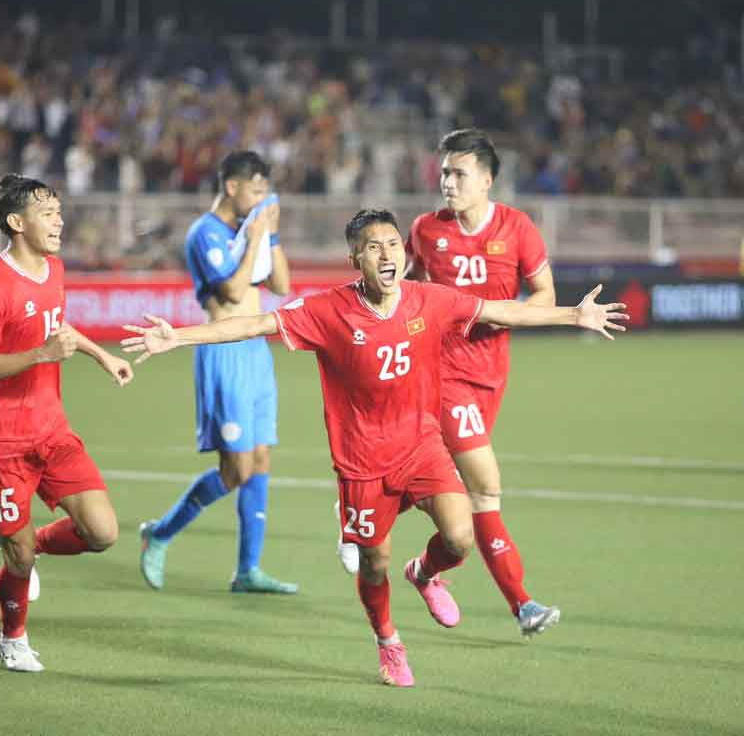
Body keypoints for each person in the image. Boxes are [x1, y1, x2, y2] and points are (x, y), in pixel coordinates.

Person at [122, 208, 627, 686]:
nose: (386, 254)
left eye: (392, 244)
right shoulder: (328, 309)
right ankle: (388, 640)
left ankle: (425, 574)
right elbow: (256, 324)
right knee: (372, 563)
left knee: (459, 538)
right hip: (361, 462)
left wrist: (572, 316)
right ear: (355, 260)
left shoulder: (430, 299)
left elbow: (500, 310)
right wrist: (178, 338)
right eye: (372, 247)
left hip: (422, 447)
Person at [337, 128, 561, 637]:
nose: (447, 182)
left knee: (444, 489)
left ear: (487, 180)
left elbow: (544, 294)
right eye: (443, 172)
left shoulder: (517, 228)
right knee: (485, 486)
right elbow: (398, 286)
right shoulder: (425, 230)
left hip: (490, 376)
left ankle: (414, 561)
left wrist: (509, 315)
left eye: (458, 173)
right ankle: (522, 604)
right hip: (439, 373)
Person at [0, 174, 134, 672]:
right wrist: (40, 354)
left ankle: (27, 547)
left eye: (59, 211)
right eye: (47, 213)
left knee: (101, 532)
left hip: (51, 429)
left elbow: (57, 329)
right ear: (17, 222)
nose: (59, 221)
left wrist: (103, 356)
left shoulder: (53, 269)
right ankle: (12, 637)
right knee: (17, 560)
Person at [137, 151, 297, 594]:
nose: (263, 199)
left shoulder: (252, 229)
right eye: (257, 189)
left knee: (261, 460)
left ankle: (248, 570)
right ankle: (161, 532)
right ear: (233, 186)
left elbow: (282, 287)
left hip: (257, 353)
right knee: (236, 470)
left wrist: (273, 235)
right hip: (222, 352)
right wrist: (254, 238)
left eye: (267, 191)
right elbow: (231, 289)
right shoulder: (204, 233)